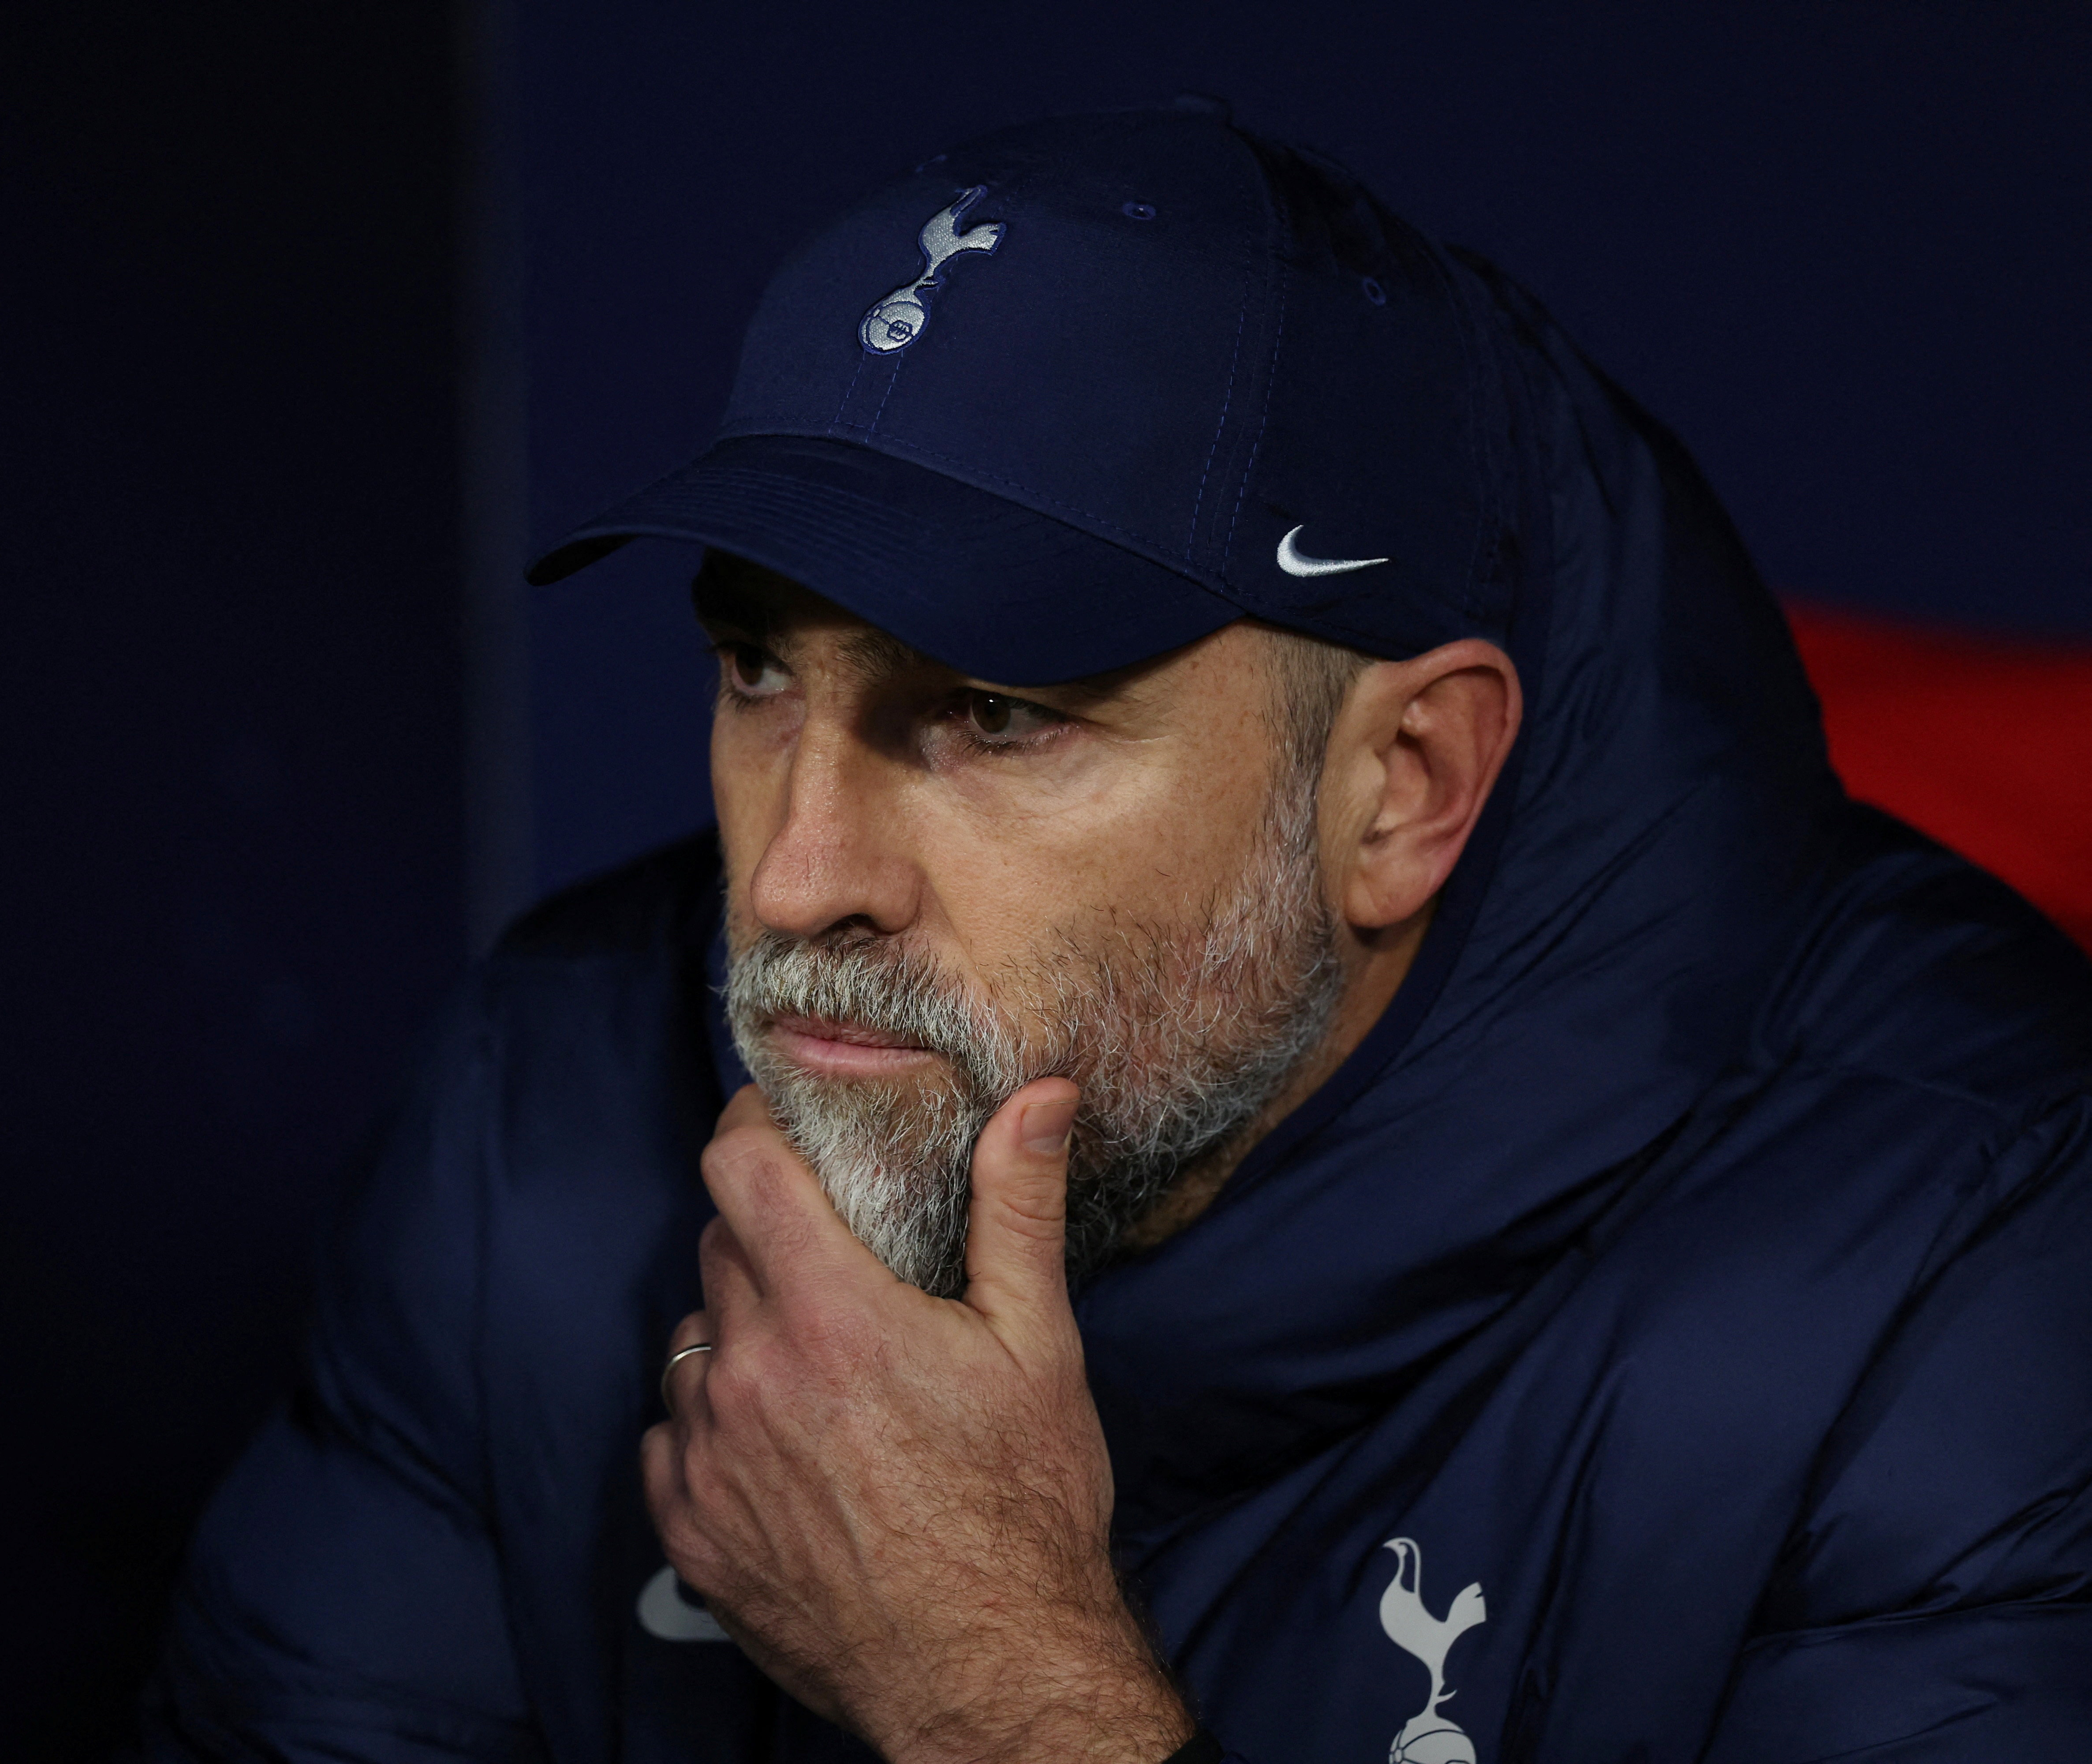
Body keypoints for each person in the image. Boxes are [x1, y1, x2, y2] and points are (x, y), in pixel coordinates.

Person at [139, 104, 2092, 1763]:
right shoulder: (552, 1100)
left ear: (1404, 784)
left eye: (992, 711)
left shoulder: (1969, 1258)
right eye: (756, 669)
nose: (799, 878)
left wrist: (997, 1689)